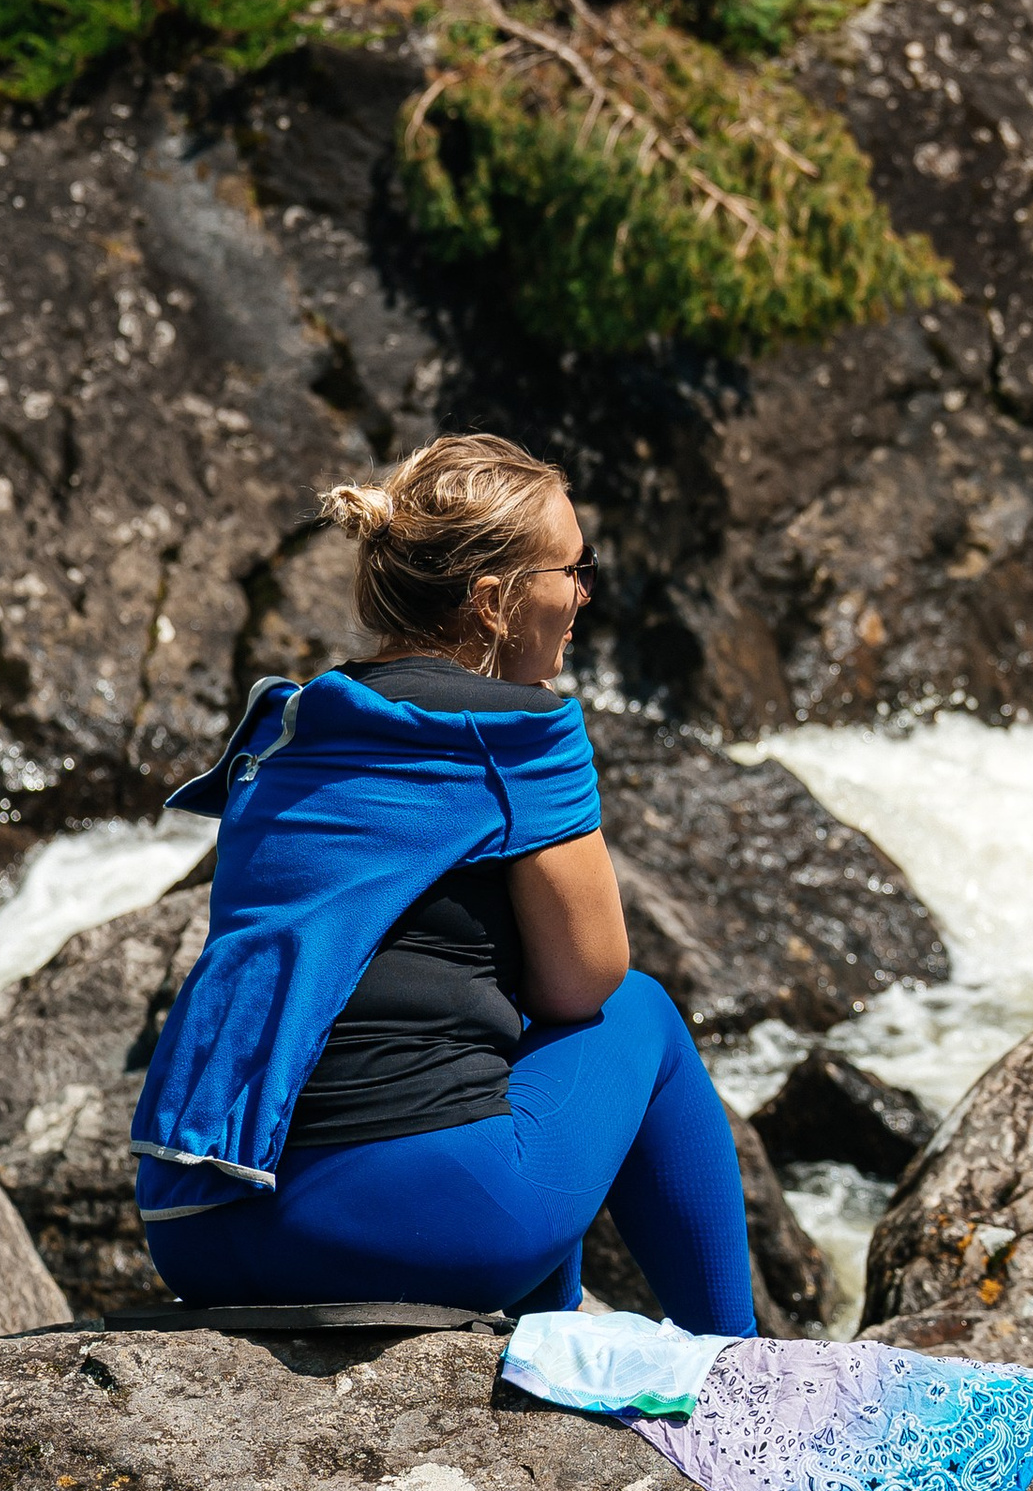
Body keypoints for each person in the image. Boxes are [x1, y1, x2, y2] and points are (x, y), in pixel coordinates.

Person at [127, 432, 755, 1329]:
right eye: (573, 570)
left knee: (485, 1042)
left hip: (199, 1227)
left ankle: (546, 1319)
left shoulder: (296, 726)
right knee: (639, 1011)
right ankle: (737, 1364)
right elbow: (587, 981)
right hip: (400, 1227)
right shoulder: (516, 734)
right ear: (497, 602)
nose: (583, 595)